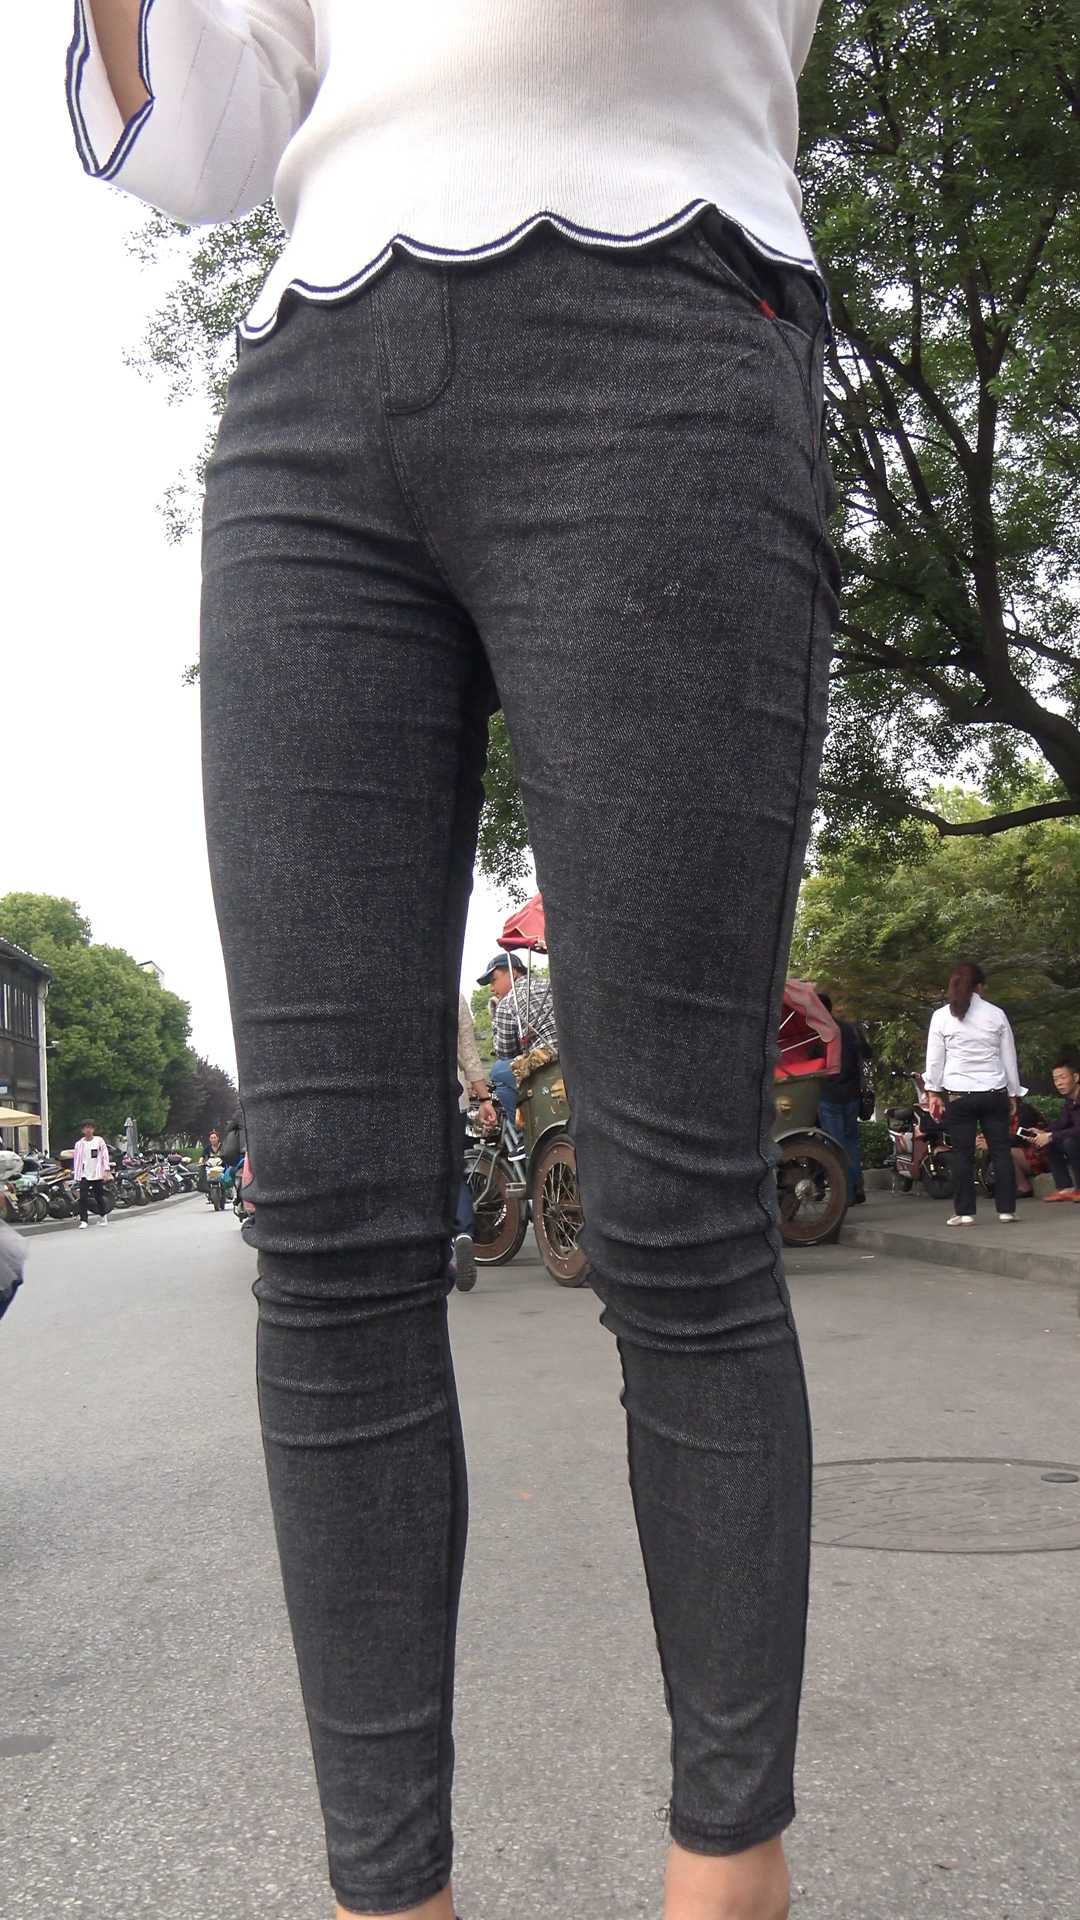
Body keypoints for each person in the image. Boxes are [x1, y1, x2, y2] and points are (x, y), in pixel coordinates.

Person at [71, 7, 840, 1918]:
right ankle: (386, 1895)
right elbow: (208, 135)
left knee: (674, 1203)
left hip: (658, 311)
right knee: (330, 1217)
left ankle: (728, 1878)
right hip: (311, 388)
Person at [924, 963, 1025, 1226]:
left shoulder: (941, 1016)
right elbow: (1009, 1057)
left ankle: (966, 1212)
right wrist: (1013, 1093)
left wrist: (933, 1091)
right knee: (1001, 1151)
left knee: (962, 1154)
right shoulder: (996, 1014)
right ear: (980, 986)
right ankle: (1006, 1210)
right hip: (994, 1093)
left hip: (959, 1095)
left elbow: (935, 1060)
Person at [478, 953, 559, 1131]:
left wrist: (495, 1016)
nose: (492, 988)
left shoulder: (507, 1002)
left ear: (513, 972)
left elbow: (505, 1053)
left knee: (498, 1071)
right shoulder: (549, 984)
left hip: (547, 1064)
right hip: (573, 1058)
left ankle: (524, 1133)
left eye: (493, 980)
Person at [452, 994, 497, 1293]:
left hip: (404, 1101)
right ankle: (463, 1234)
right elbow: (468, 1054)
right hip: (451, 1098)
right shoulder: (454, 995)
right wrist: (485, 1099)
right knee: (454, 1174)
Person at [816, 992, 870, 1205]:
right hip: (852, 1094)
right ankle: (857, 1187)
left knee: (834, 1144)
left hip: (829, 1095)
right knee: (851, 1142)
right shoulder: (850, 1028)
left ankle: (845, 1192)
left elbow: (811, 1061)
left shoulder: (817, 1032)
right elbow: (867, 1053)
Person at [1031, 1057, 1080, 1201]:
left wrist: (1051, 1135)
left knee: (1070, 1142)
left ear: (1076, 1077)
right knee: (1051, 1143)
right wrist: (1043, 1133)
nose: (1059, 1083)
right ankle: (1065, 1188)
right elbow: (1062, 1123)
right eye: (1055, 1079)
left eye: (1063, 1077)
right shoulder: (1070, 1101)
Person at [72, 1122, 111, 1229]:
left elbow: (105, 1155)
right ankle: (84, 1220)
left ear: (93, 1129)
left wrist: (106, 1169)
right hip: (84, 1174)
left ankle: (103, 1216)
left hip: (96, 1173)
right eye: (86, 1128)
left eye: (90, 1128)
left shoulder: (99, 1141)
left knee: (98, 1196)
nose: (88, 1130)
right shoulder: (79, 1144)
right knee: (83, 1198)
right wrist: (77, 1174)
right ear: (83, 1130)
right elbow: (77, 1160)